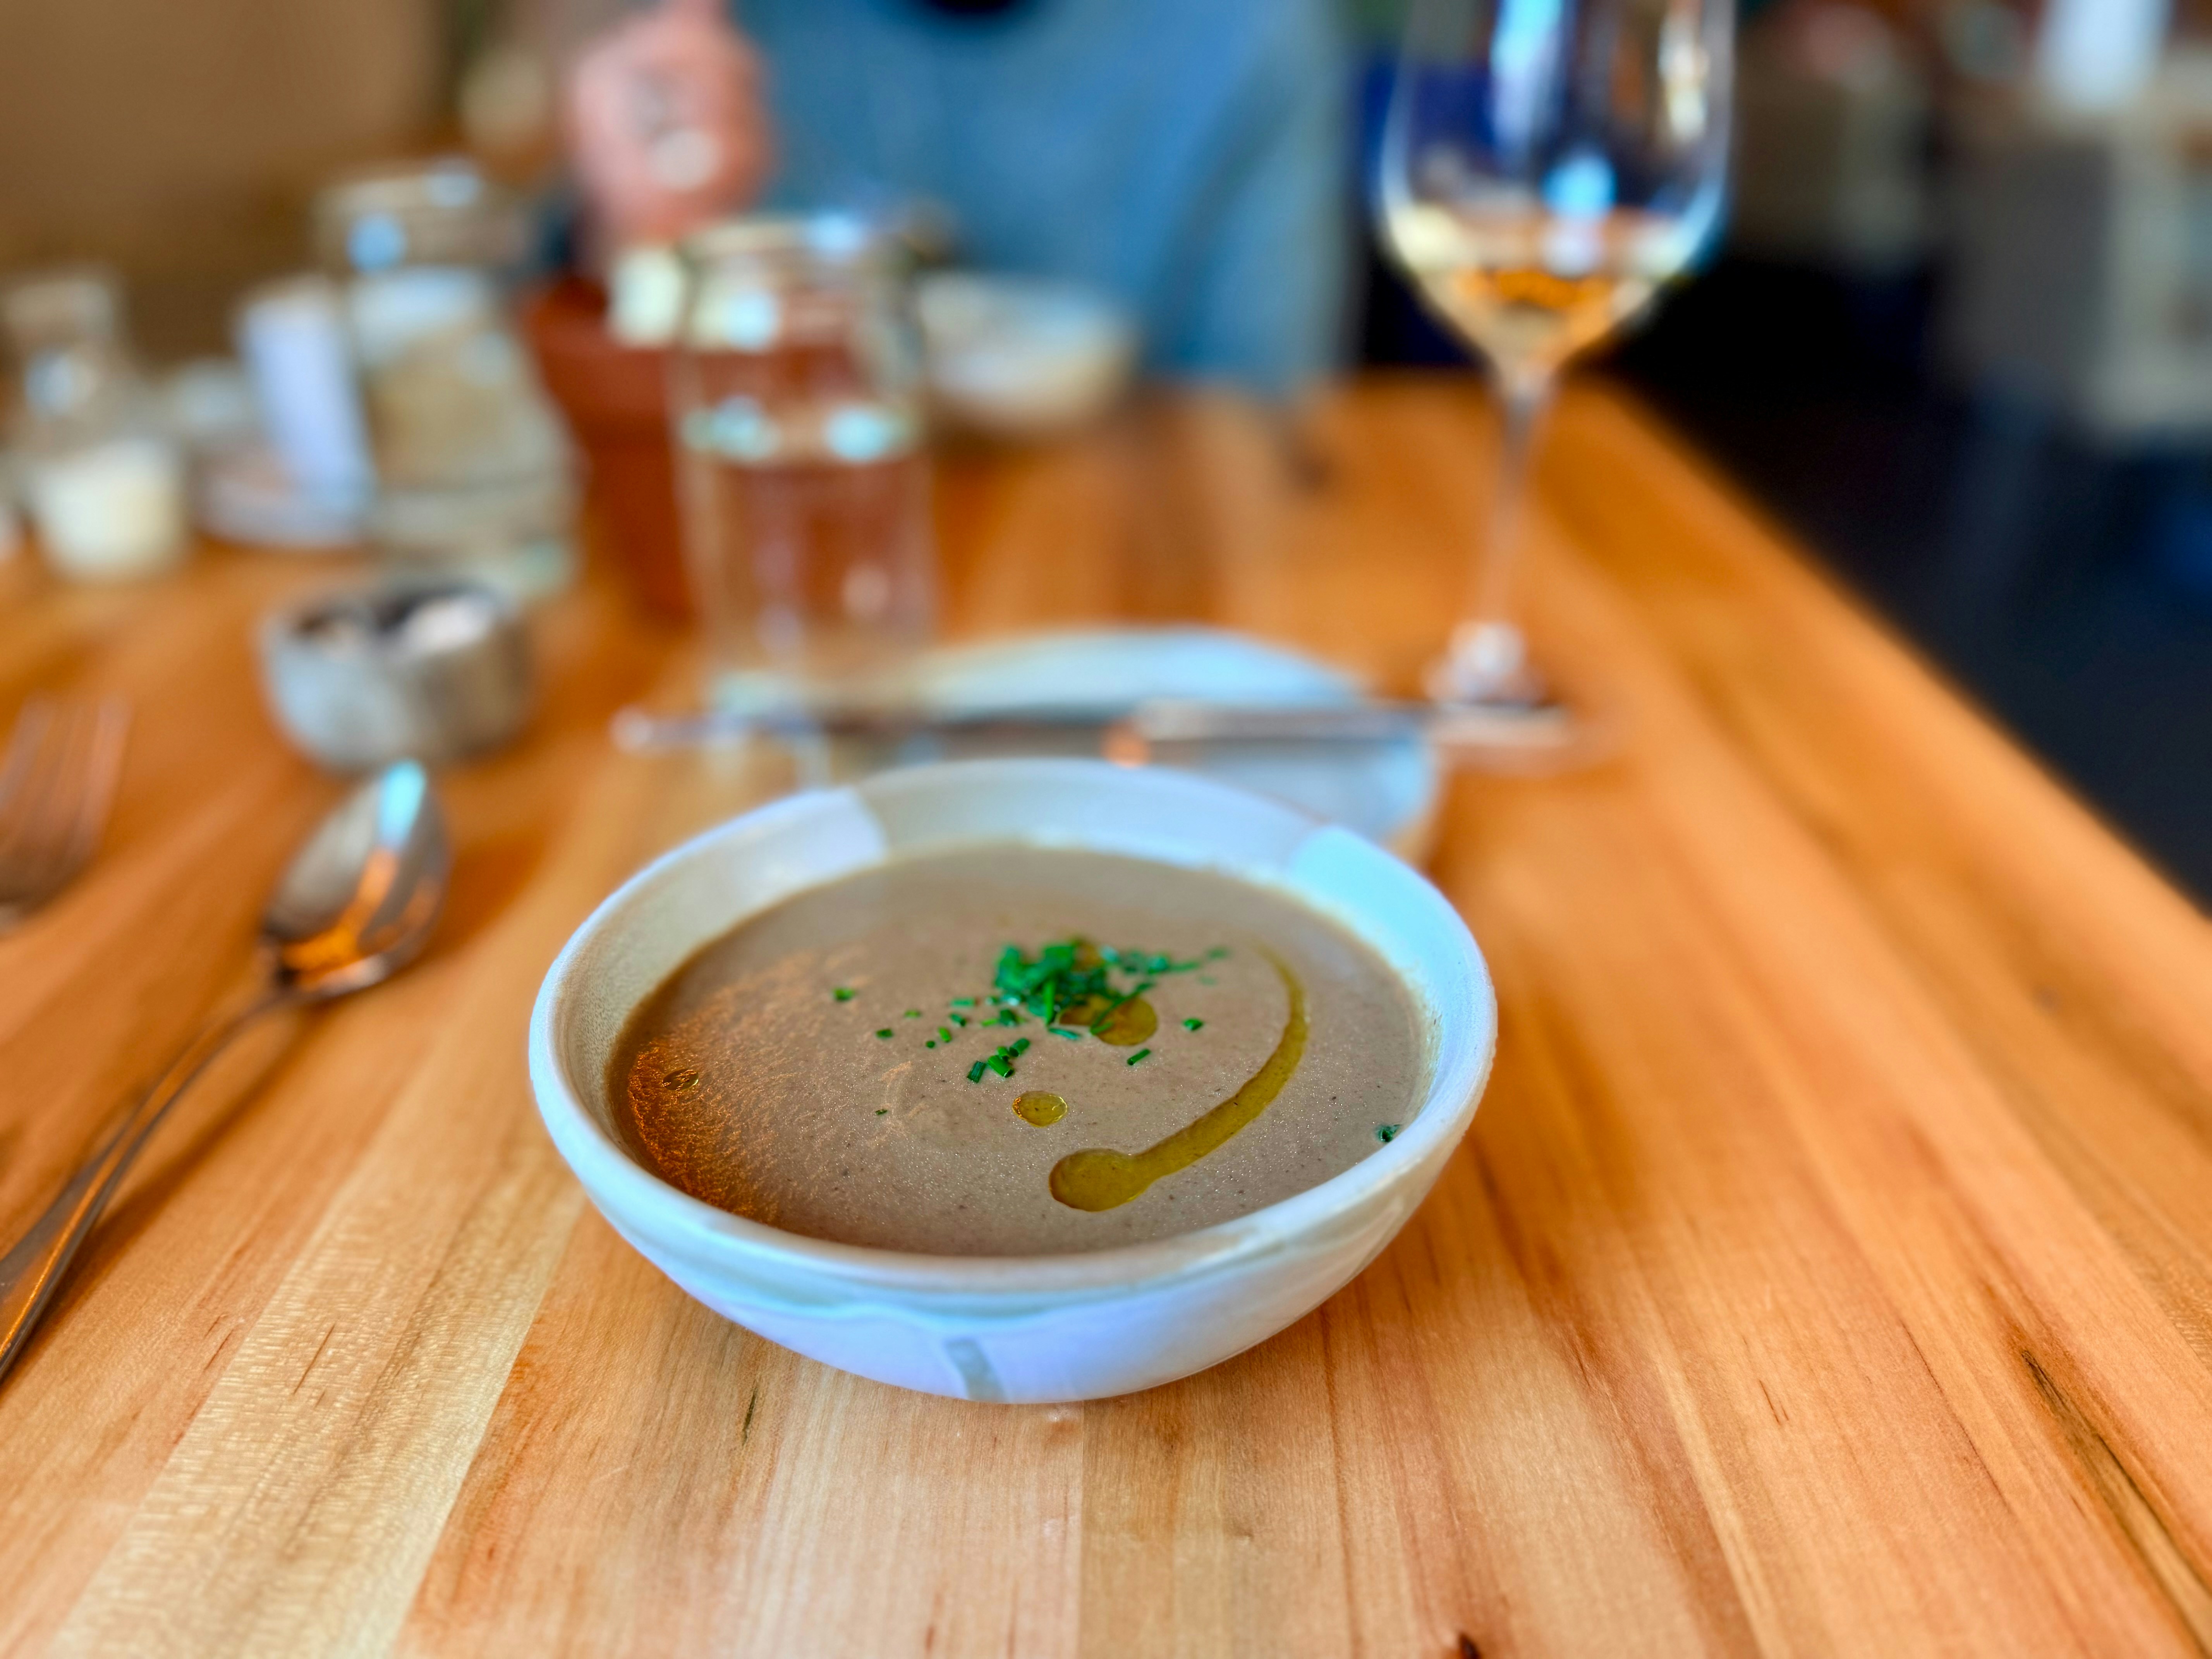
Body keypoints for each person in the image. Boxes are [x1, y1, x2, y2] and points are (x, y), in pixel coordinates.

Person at [566, 0, 1350, 397]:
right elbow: (567, 388)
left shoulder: (1242, 32)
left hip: (1131, 564)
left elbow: (1260, 416)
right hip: (804, 560)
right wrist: (637, 238)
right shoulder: (716, 33)